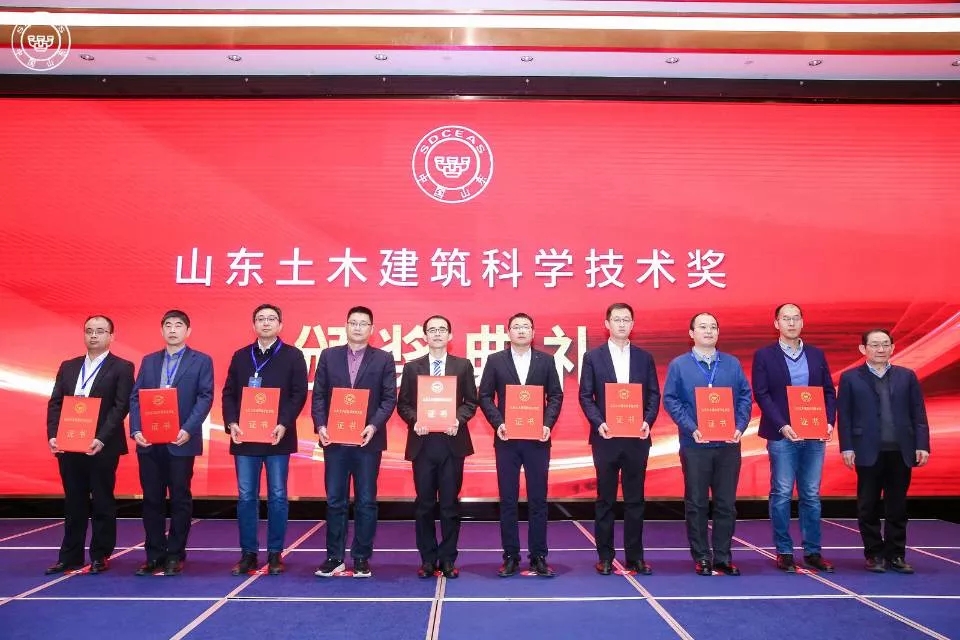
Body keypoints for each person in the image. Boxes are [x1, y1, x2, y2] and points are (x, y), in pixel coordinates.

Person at [221, 303, 308, 576]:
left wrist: (283, 423)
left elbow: (298, 394)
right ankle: (248, 553)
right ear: (254, 324)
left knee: (278, 496)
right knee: (246, 496)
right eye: (261, 319)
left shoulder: (293, 356)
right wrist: (232, 423)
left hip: (277, 437)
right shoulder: (240, 356)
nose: (266, 323)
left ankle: (275, 553)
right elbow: (228, 393)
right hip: (245, 438)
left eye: (271, 319)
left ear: (280, 325)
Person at [663, 312, 752, 576]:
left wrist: (739, 426)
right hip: (695, 445)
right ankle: (702, 556)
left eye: (713, 327)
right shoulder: (679, 365)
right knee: (697, 503)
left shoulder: (732, 364)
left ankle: (723, 557)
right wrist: (692, 428)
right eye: (703, 327)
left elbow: (745, 397)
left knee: (726, 504)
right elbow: (671, 400)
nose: (709, 331)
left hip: (727, 445)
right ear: (691, 333)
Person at [45, 315, 135, 575]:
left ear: (111, 336)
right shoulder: (69, 366)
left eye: (100, 331)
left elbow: (121, 407)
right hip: (69, 443)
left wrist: (101, 438)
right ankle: (69, 556)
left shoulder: (122, 367)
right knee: (74, 502)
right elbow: (56, 403)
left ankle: (100, 554)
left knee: (102, 501)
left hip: (101, 446)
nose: (94, 335)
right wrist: (53, 435)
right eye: (89, 331)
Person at [312, 306, 397, 578]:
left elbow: (389, 399)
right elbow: (319, 396)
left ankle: (361, 557)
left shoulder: (383, 359)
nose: (357, 327)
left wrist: (373, 425)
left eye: (363, 323)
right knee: (335, 501)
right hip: (335, 442)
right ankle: (334, 557)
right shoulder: (329, 356)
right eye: (353, 323)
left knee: (366, 501)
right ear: (346, 326)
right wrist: (321, 426)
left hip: (367, 442)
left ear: (372, 329)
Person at [128, 309, 214, 576]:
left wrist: (188, 429)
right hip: (149, 442)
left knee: (179, 499)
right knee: (151, 500)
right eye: (168, 325)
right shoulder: (149, 360)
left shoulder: (201, 361)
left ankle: (175, 554)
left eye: (178, 325)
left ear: (188, 331)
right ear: (161, 330)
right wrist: (136, 429)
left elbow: (205, 397)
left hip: (181, 441)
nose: (173, 330)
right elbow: (136, 397)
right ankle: (154, 555)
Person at [838, 329, 931, 574]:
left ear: (892, 347)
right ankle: (874, 555)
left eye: (885, 344)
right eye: (875, 345)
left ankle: (896, 554)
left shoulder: (907, 376)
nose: (881, 349)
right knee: (867, 506)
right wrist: (847, 446)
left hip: (901, 450)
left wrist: (922, 444)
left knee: (897, 507)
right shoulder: (850, 378)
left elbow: (918, 413)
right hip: (866, 451)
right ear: (863, 349)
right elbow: (844, 416)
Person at [752, 303, 836, 573]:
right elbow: (762, 394)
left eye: (796, 318)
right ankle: (784, 551)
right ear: (776, 323)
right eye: (786, 319)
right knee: (782, 493)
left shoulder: (816, 354)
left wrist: (829, 422)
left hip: (814, 434)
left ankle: (813, 552)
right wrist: (782, 425)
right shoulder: (764, 355)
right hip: (782, 435)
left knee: (811, 494)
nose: (791, 323)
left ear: (802, 322)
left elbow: (828, 391)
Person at [478, 313, 563, 578]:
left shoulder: (546, 361)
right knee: (508, 500)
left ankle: (538, 556)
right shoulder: (495, 360)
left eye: (526, 326)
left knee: (538, 500)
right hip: (507, 440)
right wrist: (498, 423)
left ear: (533, 332)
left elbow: (556, 395)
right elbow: (484, 396)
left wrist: (547, 423)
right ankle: (511, 556)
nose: (521, 331)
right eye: (516, 327)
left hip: (538, 440)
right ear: (508, 332)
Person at [578, 303, 660, 576]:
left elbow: (653, 394)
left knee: (635, 500)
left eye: (626, 320)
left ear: (633, 324)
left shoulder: (644, 357)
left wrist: (647, 421)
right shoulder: (593, 357)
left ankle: (635, 557)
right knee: (606, 500)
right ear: (607, 324)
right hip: (606, 438)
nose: (622, 324)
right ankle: (605, 557)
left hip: (637, 437)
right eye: (617, 319)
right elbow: (585, 396)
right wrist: (599, 423)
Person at [398, 315, 478, 579]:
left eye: (442, 329)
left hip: (452, 444)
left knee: (449, 505)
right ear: (425, 336)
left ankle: (448, 559)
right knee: (424, 505)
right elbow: (403, 404)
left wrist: (458, 419)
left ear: (450, 335)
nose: (437, 334)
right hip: (422, 445)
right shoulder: (412, 368)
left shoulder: (462, 366)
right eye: (432, 330)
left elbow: (471, 402)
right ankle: (427, 559)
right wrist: (415, 420)